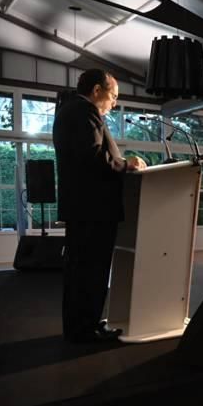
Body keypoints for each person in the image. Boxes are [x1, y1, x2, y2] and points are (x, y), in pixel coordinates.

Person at [54, 69, 147, 344]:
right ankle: (88, 329)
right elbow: (95, 158)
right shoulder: (85, 112)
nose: (114, 103)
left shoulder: (68, 111)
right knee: (91, 272)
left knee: (79, 272)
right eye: (113, 95)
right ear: (97, 90)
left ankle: (79, 327)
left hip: (81, 208)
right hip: (93, 209)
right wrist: (127, 163)